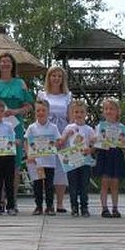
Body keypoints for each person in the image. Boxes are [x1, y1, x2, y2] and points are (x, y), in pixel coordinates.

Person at [0, 52, 34, 207]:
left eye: (8, 62)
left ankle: (12, 199)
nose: (5, 64)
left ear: (12, 65)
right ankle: (0, 199)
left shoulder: (20, 83)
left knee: (14, 164)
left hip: (13, 127)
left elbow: (29, 106)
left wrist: (14, 111)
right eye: (2, 62)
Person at [37, 66, 72, 213]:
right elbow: (38, 114)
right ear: (49, 77)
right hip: (45, 133)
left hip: (62, 132)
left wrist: (65, 136)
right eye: (53, 75)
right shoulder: (42, 94)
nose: (56, 78)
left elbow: (70, 117)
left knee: (62, 168)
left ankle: (60, 202)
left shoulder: (67, 96)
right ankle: (44, 202)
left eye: (59, 76)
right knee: (45, 166)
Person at [59, 100, 95, 217]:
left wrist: (90, 149)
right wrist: (66, 136)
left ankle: (84, 207)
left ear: (86, 114)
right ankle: (74, 206)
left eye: (81, 112)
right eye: (76, 112)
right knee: (73, 185)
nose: (79, 114)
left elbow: (94, 144)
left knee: (84, 185)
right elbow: (61, 142)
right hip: (72, 161)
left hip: (85, 161)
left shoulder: (89, 129)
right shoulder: (69, 127)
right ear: (72, 113)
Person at [26, 99, 61, 216]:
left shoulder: (53, 127)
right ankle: (38, 206)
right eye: (38, 111)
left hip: (49, 161)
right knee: (37, 185)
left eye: (43, 110)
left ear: (48, 111)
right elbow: (27, 142)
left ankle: (50, 206)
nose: (41, 113)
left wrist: (52, 146)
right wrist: (29, 154)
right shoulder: (31, 127)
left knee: (49, 185)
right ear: (35, 112)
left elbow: (57, 141)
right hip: (36, 163)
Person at [94, 98, 125, 218]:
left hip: (116, 154)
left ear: (117, 111)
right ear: (103, 111)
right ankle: (104, 208)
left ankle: (115, 207)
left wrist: (124, 141)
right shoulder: (99, 126)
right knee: (104, 182)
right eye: (106, 109)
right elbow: (95, 141)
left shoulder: (122, 127)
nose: (109, 111)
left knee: (115, 183)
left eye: (112, 109)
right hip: (104, 154)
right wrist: (95, 140)